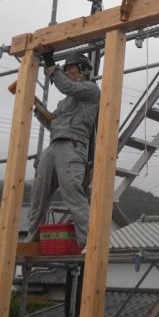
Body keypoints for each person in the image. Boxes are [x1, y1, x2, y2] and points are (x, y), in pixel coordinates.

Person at [29, 51, 100, 248]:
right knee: (38, 195)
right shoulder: (66, 101)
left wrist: (51, 64)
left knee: (72, 193)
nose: (67, 72)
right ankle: (32, 239)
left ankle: (89, 242)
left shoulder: (91, 90)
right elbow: (53, 123)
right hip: (54, 146)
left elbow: (66, 86)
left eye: (71, 68)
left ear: (84, 71)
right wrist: (37, 108)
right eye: (66, 69)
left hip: (73, 145)